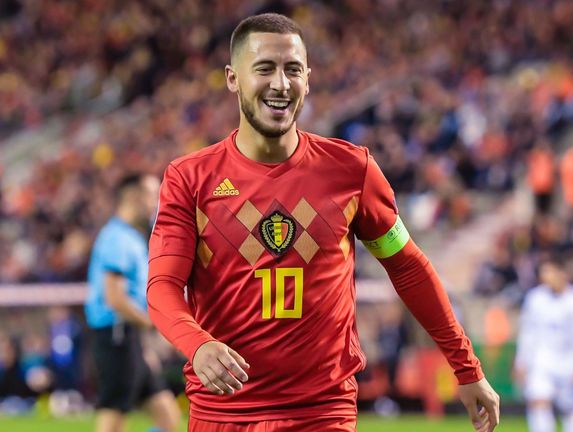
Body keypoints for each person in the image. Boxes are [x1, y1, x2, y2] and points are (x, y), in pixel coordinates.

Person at [146, 13, 499, 432]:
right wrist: (197, 345)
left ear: (308, 79)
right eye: (264, 68)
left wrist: (467, 366)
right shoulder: (191, 178)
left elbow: (407, 266)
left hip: (322, 414)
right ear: (232, 78)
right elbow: (163, 287)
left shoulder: (352, 170)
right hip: (223, 414)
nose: (280, 83)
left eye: (292, 69)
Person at [85, 174, 180, 432]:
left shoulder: (131, 237)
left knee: (168, 417)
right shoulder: (118, 238)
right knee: (113, 417)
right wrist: (151, 325)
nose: (156, 203)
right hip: (116, 338)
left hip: (130, 338)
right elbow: (115, 297)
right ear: (133, 197)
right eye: (152, 195)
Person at [514, 255, 573, 432]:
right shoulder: (536, 298)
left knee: (572, 411)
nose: (546, 276)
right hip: (542, 360)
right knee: (538, 402)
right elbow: (528, 332)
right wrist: (521, 362)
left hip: (569, 361)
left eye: (550, 271)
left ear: (562, 273)